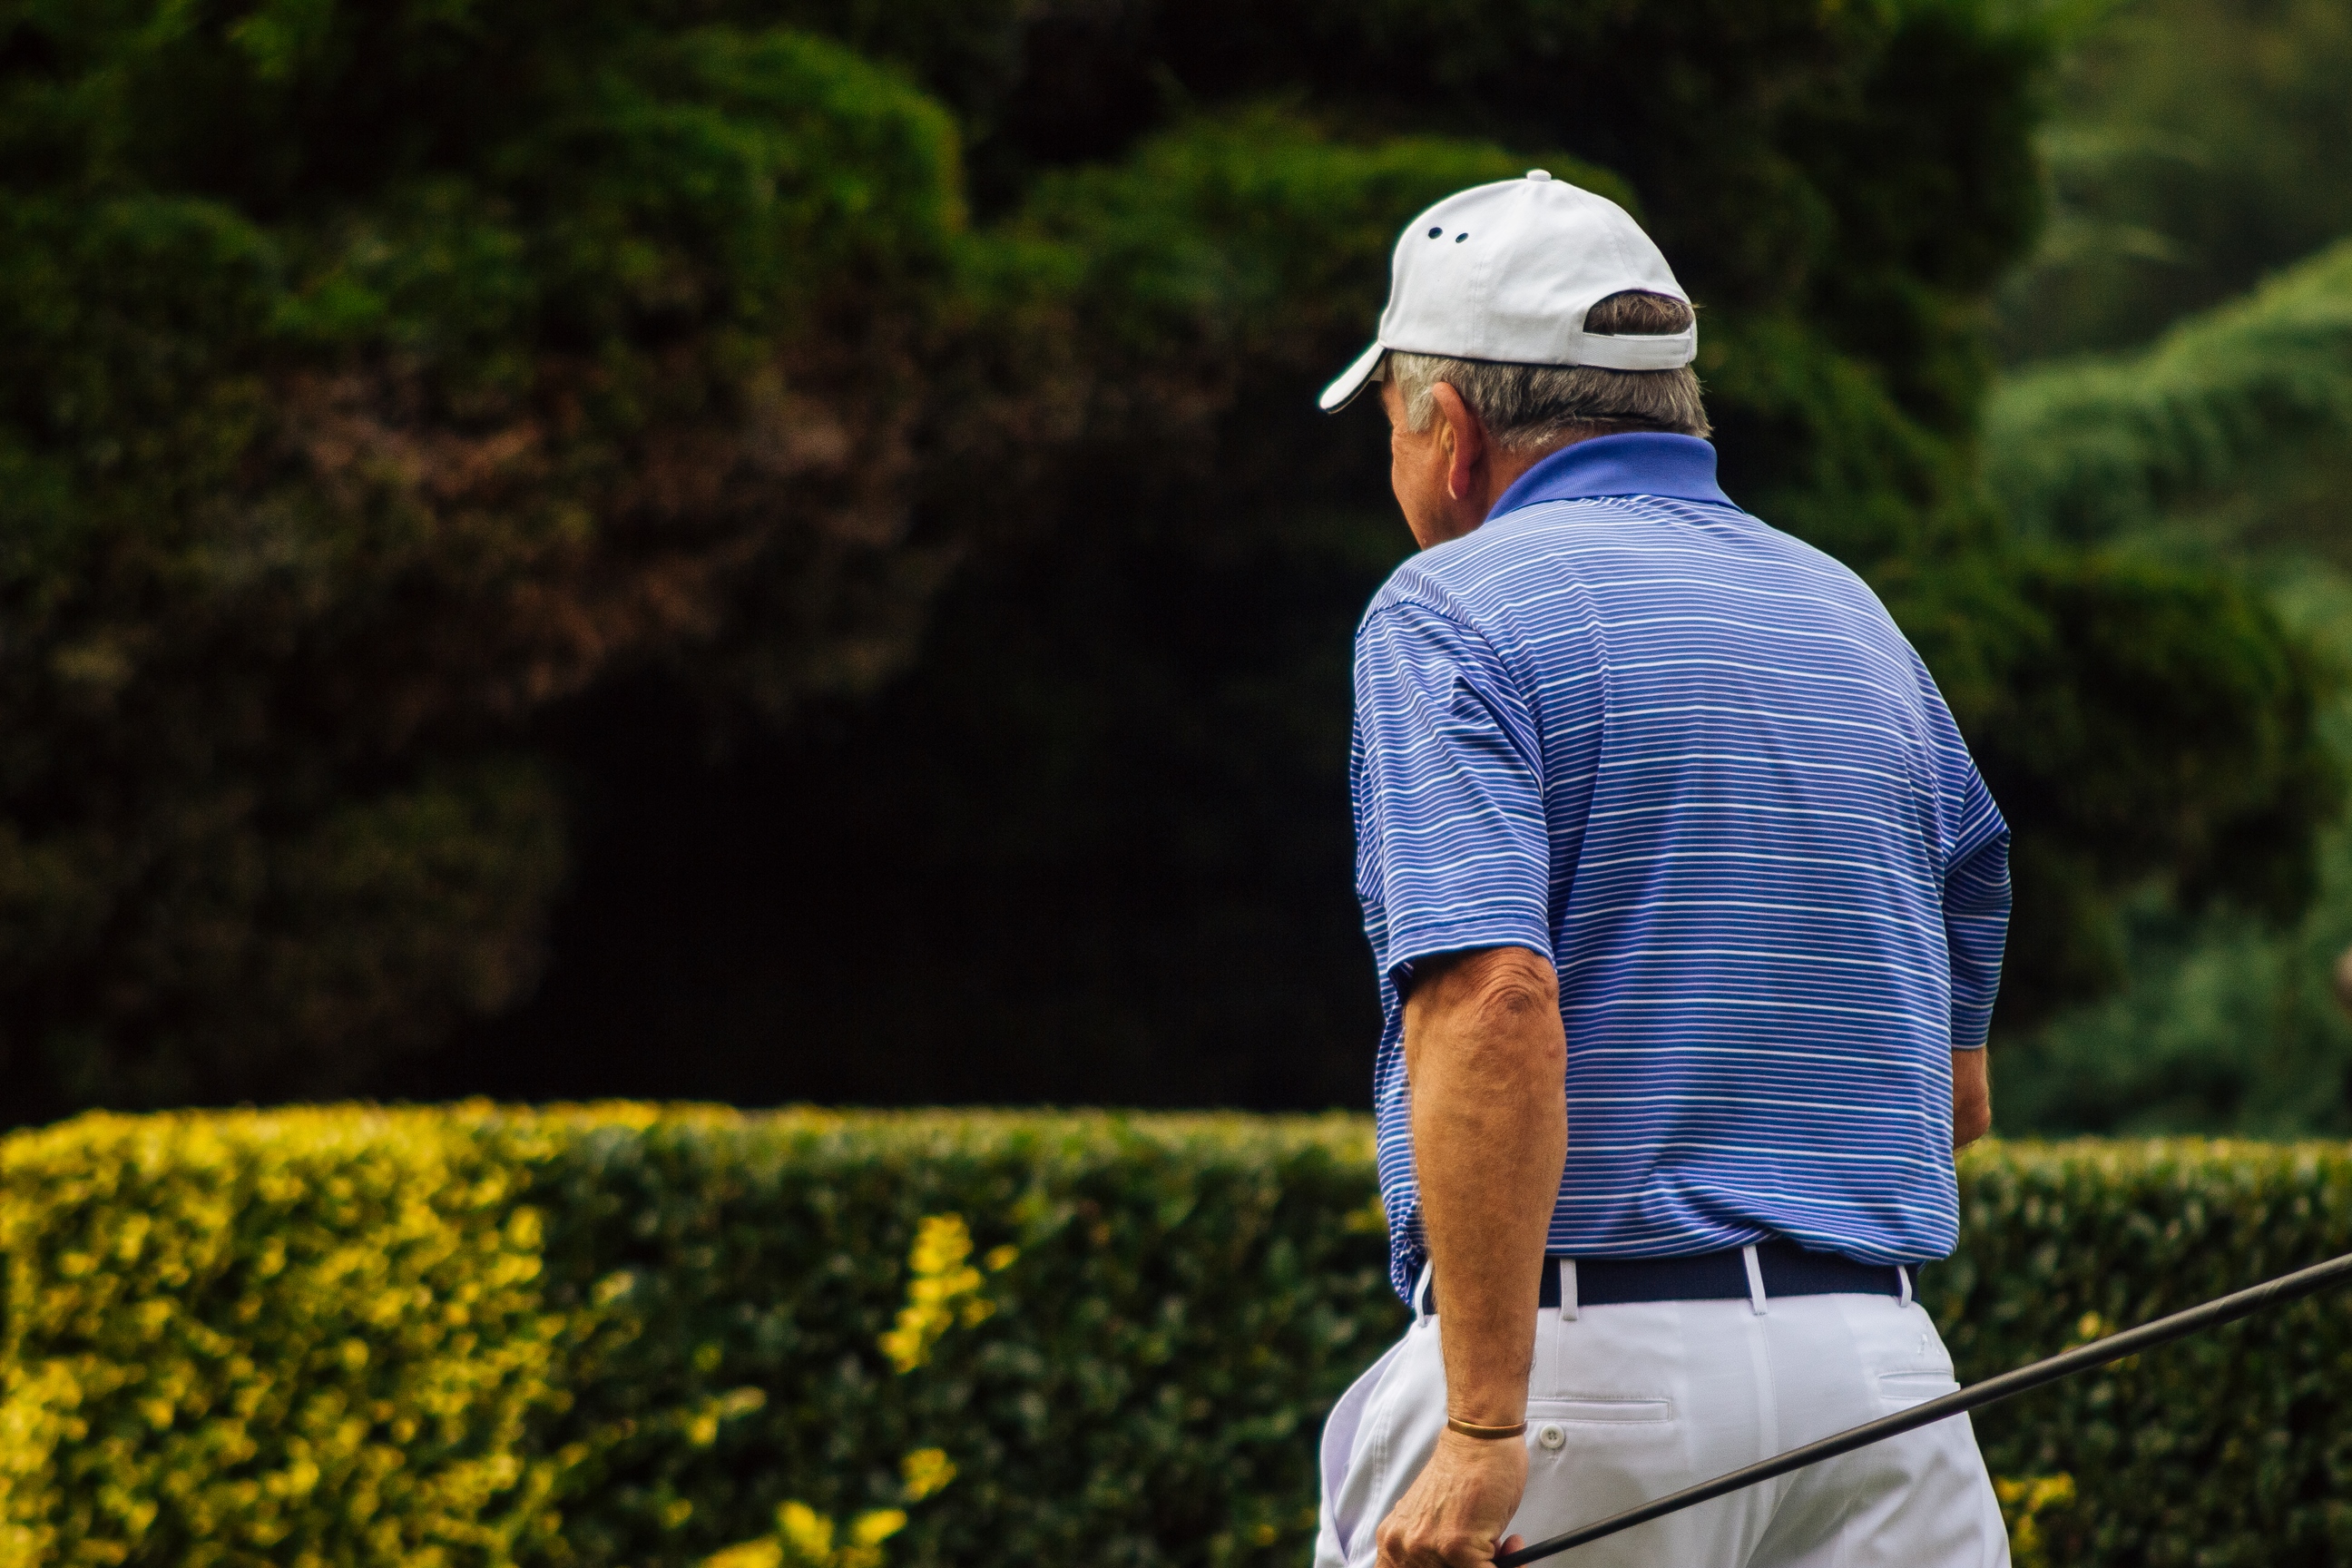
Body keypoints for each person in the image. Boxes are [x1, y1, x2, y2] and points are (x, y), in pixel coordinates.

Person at [1309, 172, 2013, 1568]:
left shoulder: (1447, 610)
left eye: (1389, 418)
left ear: (1450, 434)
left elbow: (1494, 1000)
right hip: (1882, 1389)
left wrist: (1485, 1425)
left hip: (1581, 1389)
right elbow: (1957, 1096)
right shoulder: (1854, 617)